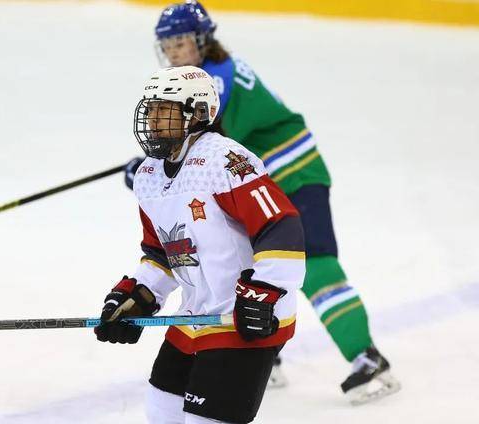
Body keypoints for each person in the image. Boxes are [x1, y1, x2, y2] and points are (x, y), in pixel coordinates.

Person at [123, 0, 400, 405]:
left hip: (294, 175)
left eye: (180, 42)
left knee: (313, 264)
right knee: (241, 265)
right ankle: (265, 353)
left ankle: (367, 357)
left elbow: (203, 144)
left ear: (202, 40)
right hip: (252, 182)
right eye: (167, 45)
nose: (173, 52)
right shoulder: (207, 75)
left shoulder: (216, 80)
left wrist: (154, 167)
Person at [96, 66, 306, 424]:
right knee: (162, 412)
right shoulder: (149, 175)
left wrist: (265, 292)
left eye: (165, 109)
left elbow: (280, 227)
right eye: (151, 109)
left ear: (197, 113)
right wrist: (141, 294)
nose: (153, 120)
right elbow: (164, 252)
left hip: (242, 322)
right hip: (195, 316)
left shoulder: (223, 161)